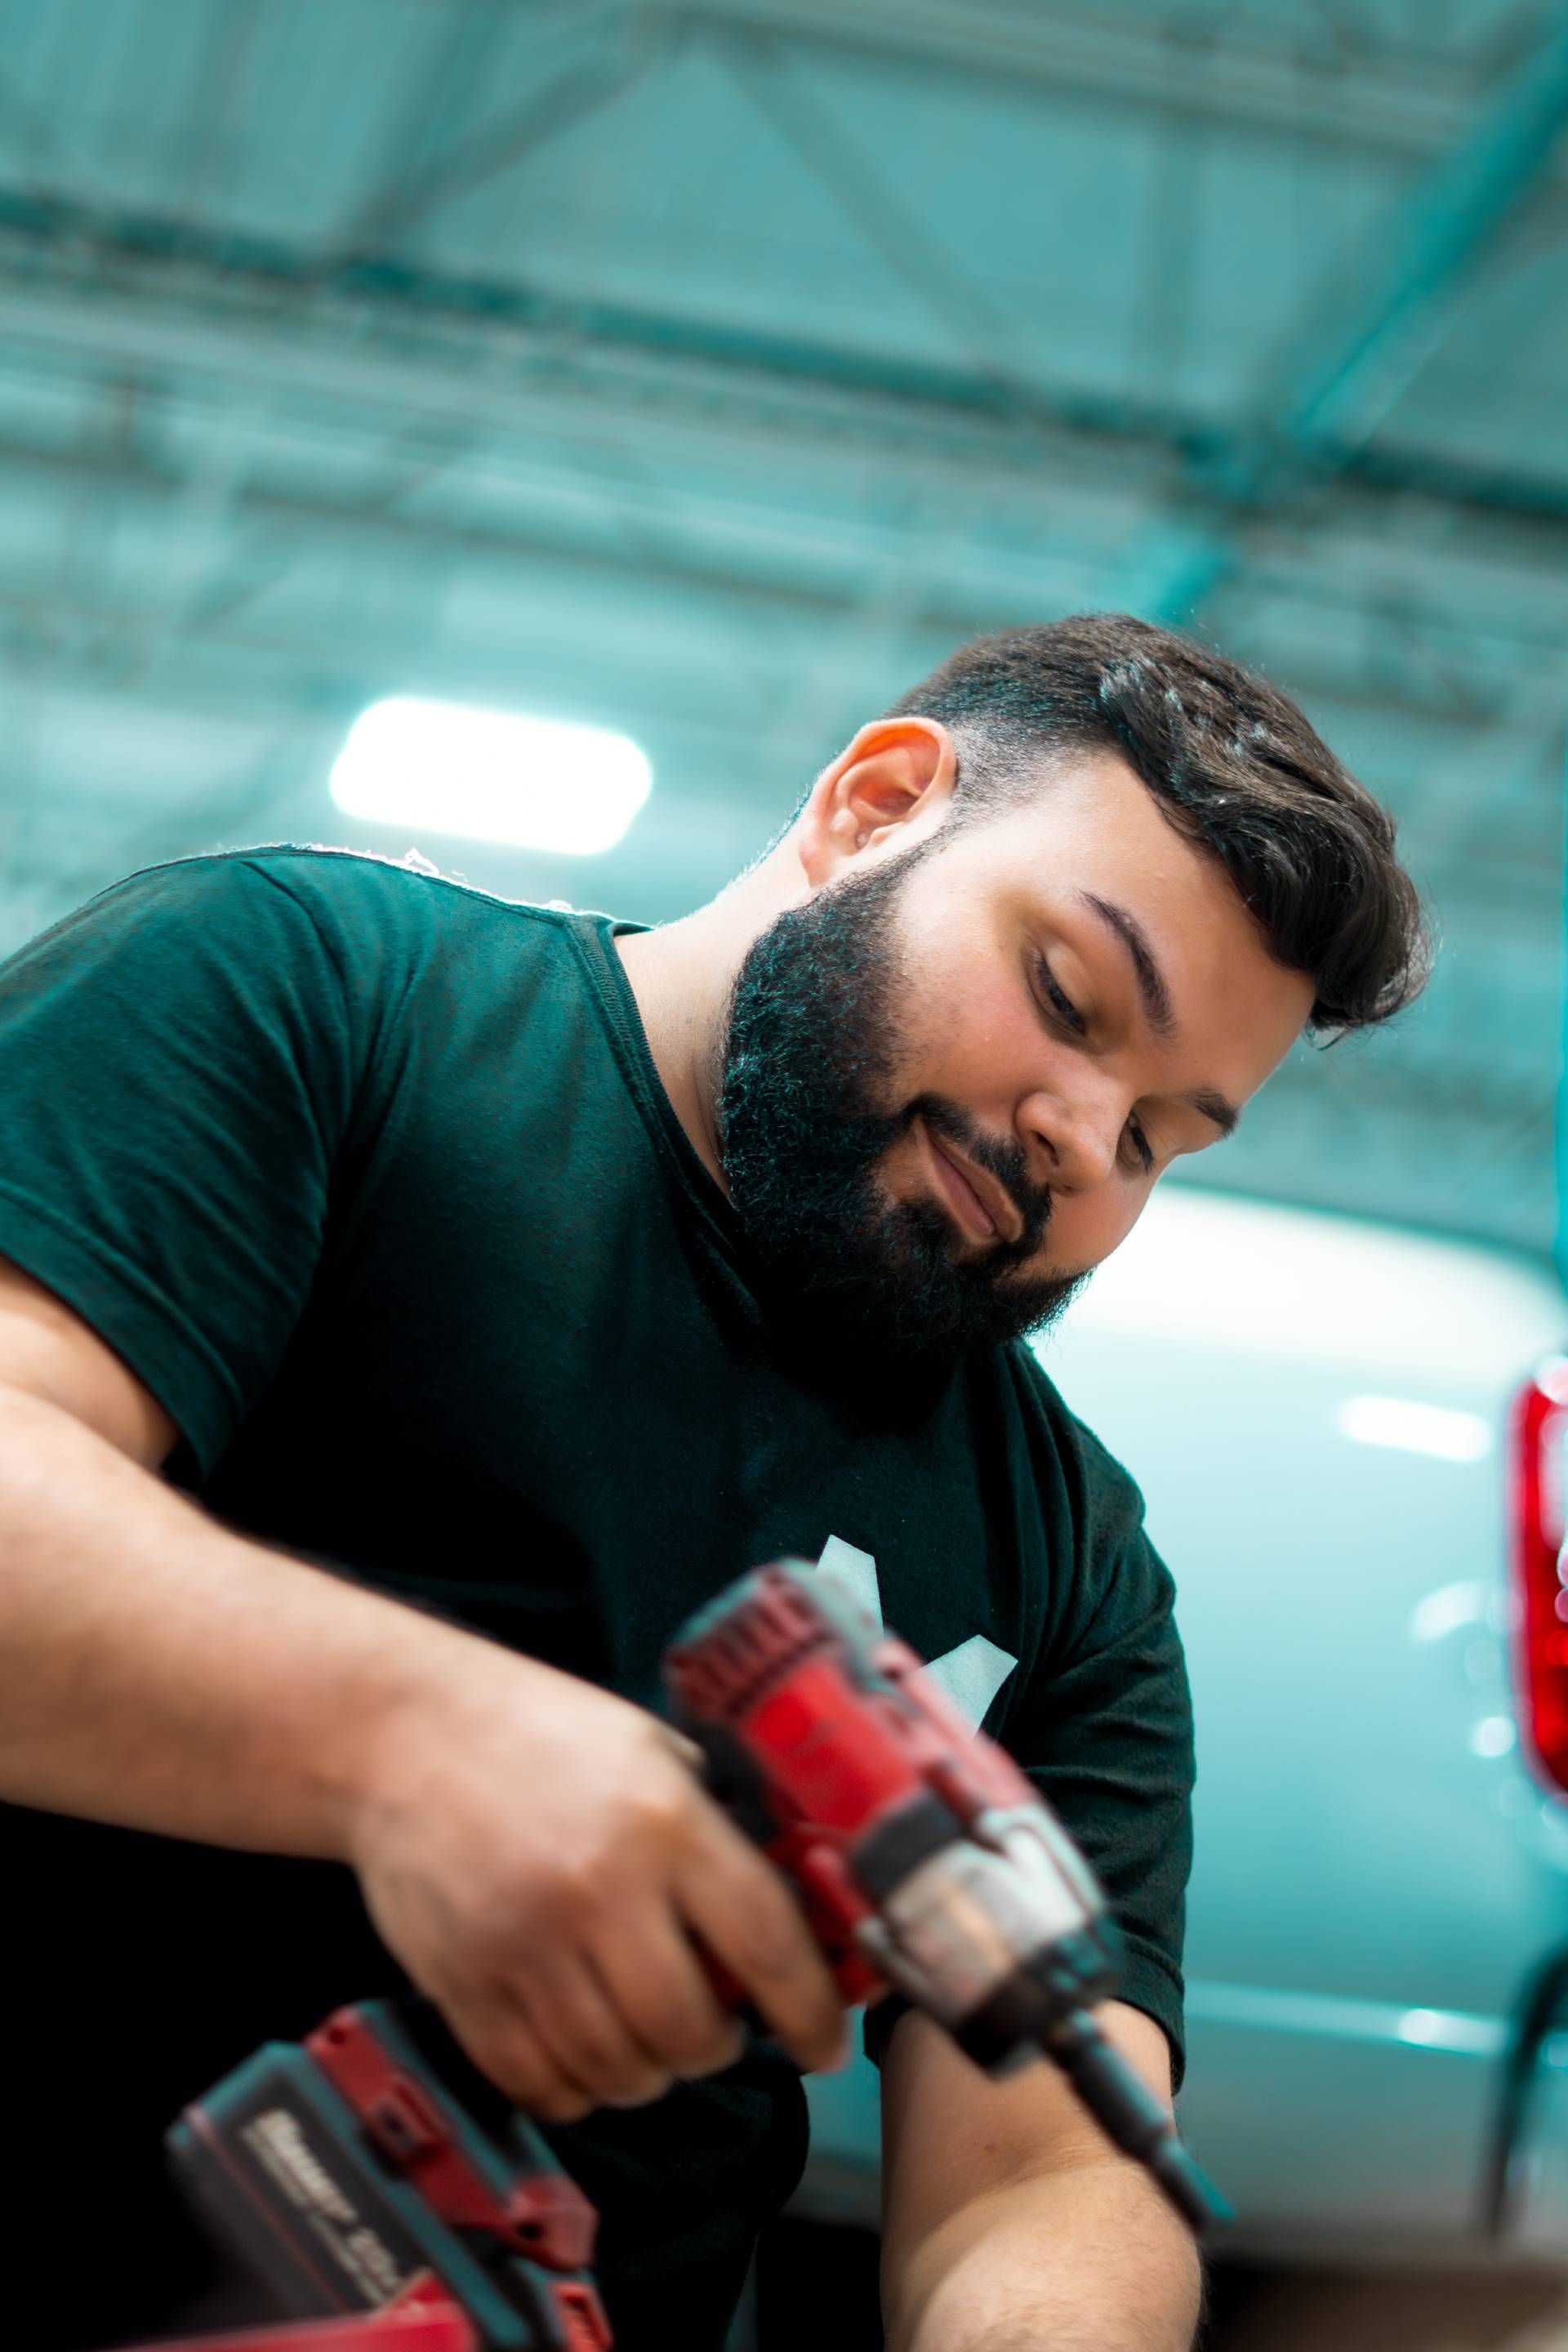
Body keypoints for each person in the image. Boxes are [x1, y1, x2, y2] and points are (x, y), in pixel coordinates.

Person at [0, 615, 1425, 2352]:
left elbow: (1044, 2175)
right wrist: (419, 1742)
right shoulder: (314, 999)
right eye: (1067, 996)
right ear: (879, 805)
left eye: (1157, 1138)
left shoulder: (1072, 1566)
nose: (1078, 1141)